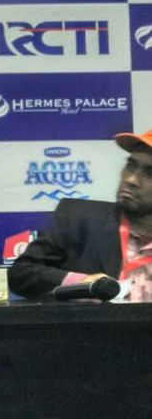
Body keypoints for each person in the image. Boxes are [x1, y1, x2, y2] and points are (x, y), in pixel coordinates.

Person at [8, 129, 152, 301]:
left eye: (149, 173)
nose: (132, 179)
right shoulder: (78, 217)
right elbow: (20, 274)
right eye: (130, 166)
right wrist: (81, 283)